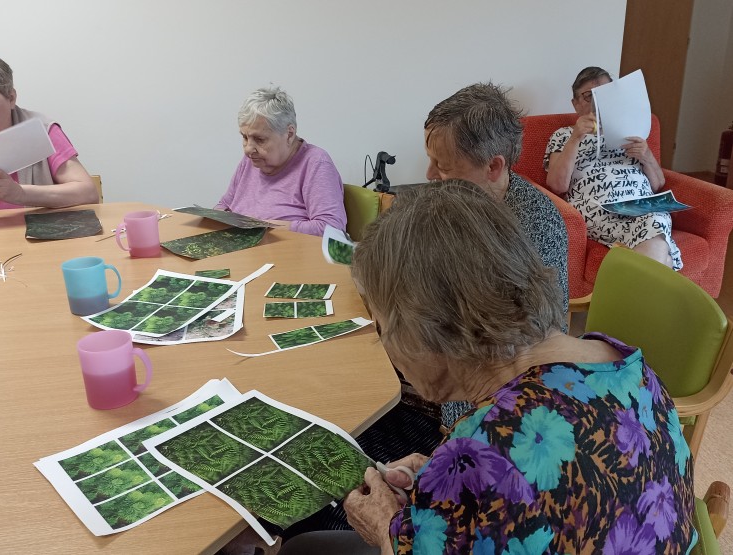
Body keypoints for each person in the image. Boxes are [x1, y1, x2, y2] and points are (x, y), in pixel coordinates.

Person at [279, 180, 697, 554]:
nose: (385, 344)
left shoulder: (478, 448)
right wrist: (451, 484)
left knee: (303, 548)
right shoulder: (626, 363)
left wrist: (385, 525)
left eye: (383, 326)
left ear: (427, 329)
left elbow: (506, 466)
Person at [423, 82, 569, 429]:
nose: (430, 176)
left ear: (493, 166)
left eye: (441, 166)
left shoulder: (530, 228)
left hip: (510, 393)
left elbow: (505, 344)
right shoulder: (473, 203)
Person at [544, 66, 682, 269]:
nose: (598, 102)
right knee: (658, 238)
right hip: (599, 208)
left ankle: (640, 280)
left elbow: (658, 184)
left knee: (656, 217)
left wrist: (647, 156)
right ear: (575, 104)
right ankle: (660, 269)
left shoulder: (632, 129)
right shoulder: (563, 135)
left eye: (606, 94)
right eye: (589, 96)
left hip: (642, 205)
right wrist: (575, 138)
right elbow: (557, 186)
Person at [214, 86, 347, 237]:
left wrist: (265, 227)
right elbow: (224, 205)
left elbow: (332, 229)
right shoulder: (251, 160)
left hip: (287, 254)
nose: (248, 149)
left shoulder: (316, 163)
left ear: (289, 134)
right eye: (245, 137)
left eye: (260, 139)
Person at [0, 51, 97, 209]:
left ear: (11, 98)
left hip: (29, 230)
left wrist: (21, 194)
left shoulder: (42, 130)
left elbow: (87, 193)